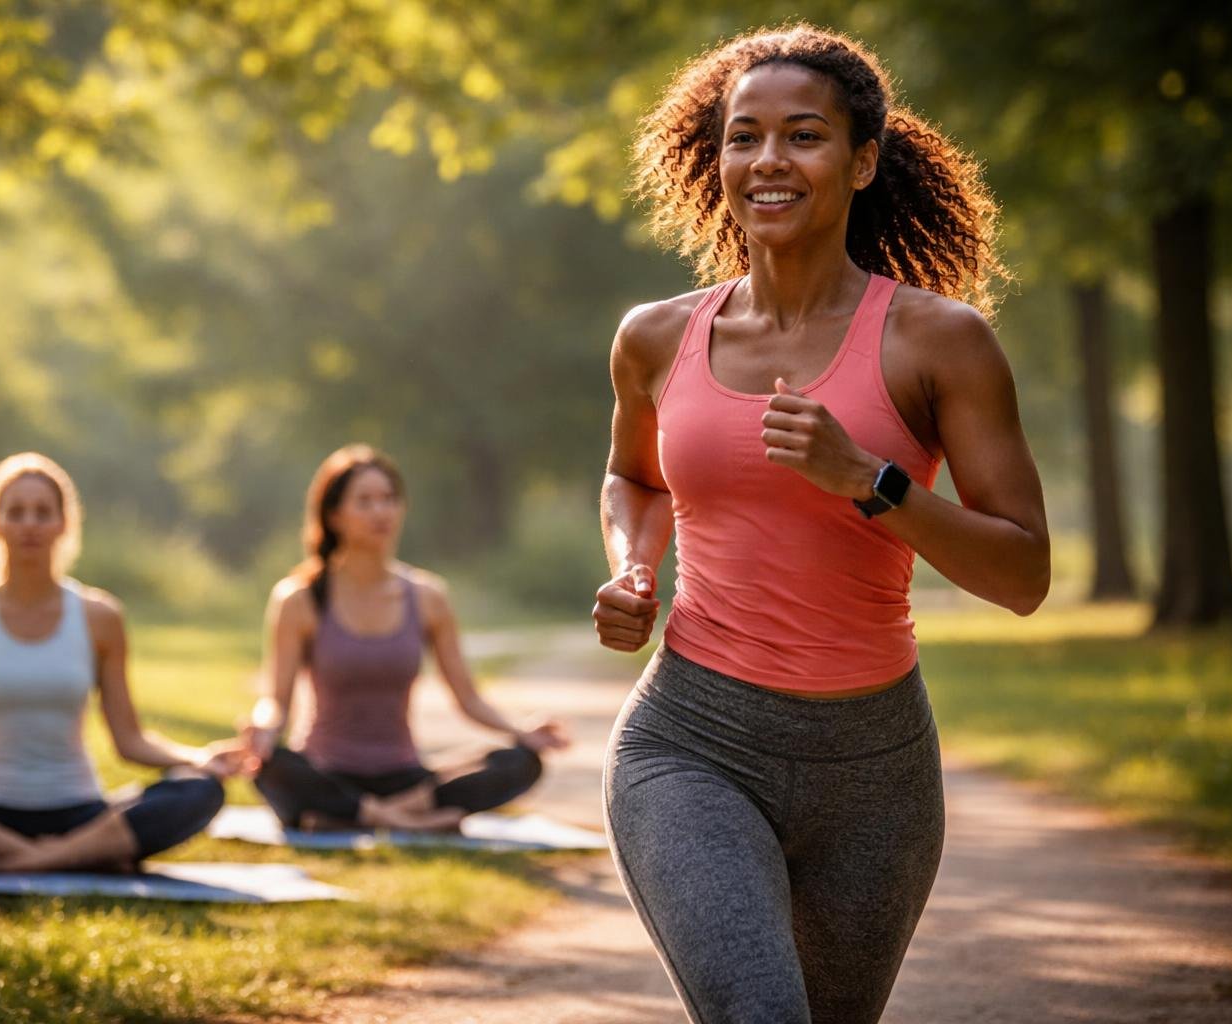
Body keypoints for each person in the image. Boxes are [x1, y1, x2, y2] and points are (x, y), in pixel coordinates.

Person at [593, 24, 1049, 1024]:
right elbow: (633, 478)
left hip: (875, 773)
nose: (767, 160)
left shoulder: (942, 343)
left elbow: (1023, 574)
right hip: (692, 741)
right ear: (714, 163)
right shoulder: (657, 337)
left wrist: (869, 478)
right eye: (742, 136)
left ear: (862, 160)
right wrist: (634, 567)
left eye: (802, 135)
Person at [0, 452, 241, 872]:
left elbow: (130, 740)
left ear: (64, 523)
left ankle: (20, 860)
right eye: (16, 512)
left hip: (79, 813)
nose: (30, 524)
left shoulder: (100, 617)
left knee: (201, 789)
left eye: (42, 512)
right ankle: (73, 858)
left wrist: (199, 758)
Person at [244, 444, 570, 832]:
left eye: (389, 499)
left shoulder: (428, 597)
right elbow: (276, 702)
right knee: (268, 765)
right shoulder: (299, 598)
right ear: (333, 515)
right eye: (364, 502)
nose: (381, 511)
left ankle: (356, 816)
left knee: (520, 761)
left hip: (405, 777)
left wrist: (522, 731)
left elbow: (468, 697)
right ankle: (400, 819)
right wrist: (261, 727)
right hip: (326, 771)